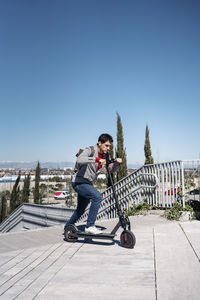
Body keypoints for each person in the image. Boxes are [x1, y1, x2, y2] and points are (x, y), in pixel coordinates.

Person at [65, 133, 122, 234]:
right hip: (79, 182)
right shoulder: (90, 150)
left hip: (88, 184)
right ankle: (90, 226)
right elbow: (80, 159)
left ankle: (68, 227)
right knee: (97, 197)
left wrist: (117, 164)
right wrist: (96, 160)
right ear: (99, 143)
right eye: (106, 145)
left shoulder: (105, 155)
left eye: (110, 146)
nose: (108, 148)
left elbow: (111, 169)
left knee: (81, 209)